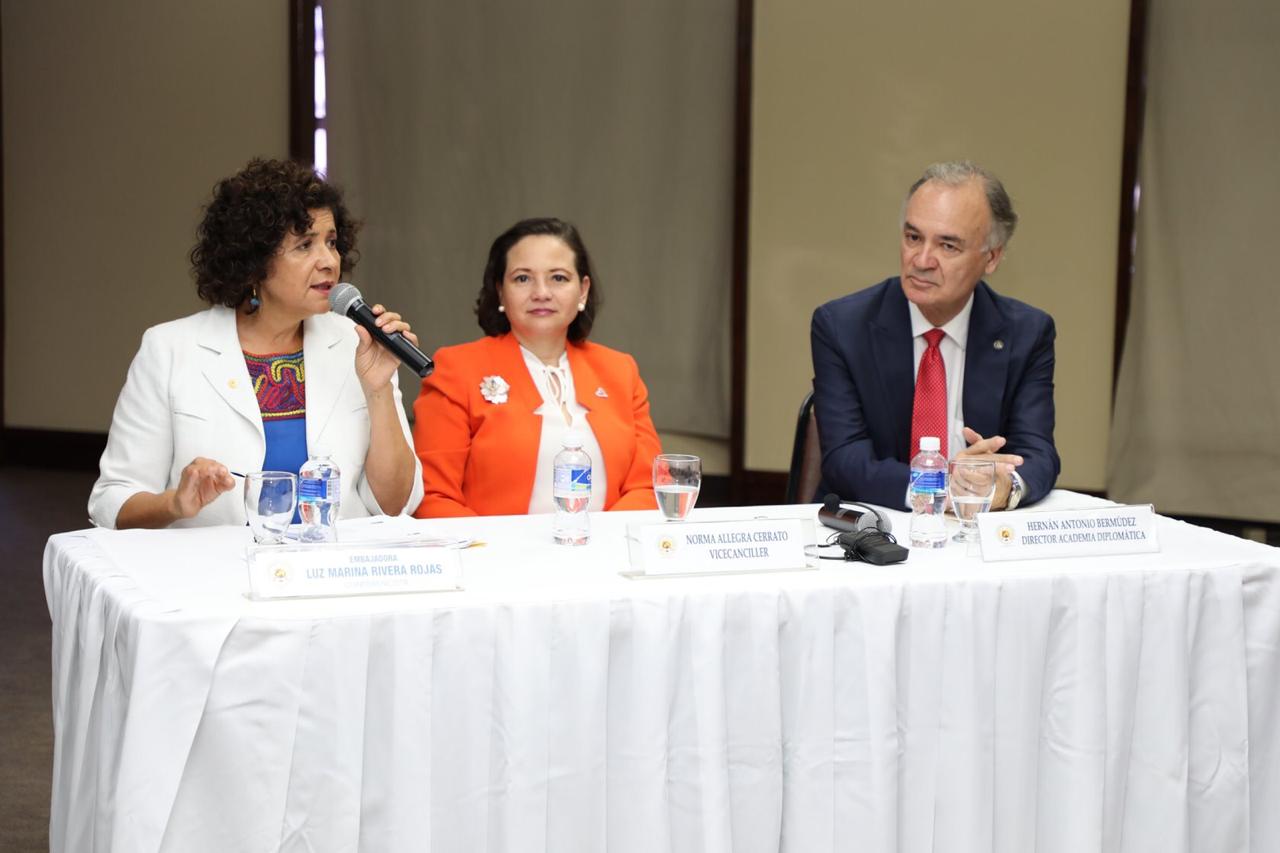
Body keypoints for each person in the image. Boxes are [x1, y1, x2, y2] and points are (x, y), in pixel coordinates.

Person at [88, 158, 423, 529]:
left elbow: (394, 506)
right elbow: (112, 501)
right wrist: (174, 504)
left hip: (332, 573)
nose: (328, 261)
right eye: (304, 246)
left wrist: (378, 391)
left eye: (331, 242)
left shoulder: (358, 344)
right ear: (253, 261)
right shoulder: (169, 349)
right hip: (215, 576)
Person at [810, 161, 1059, 510]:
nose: (922, 260)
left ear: (992, 258)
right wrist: (942, 488)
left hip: (977, 531)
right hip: (874, 527)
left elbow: (1038, 453)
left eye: (948, 246)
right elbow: (845, 460)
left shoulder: (1027, 333)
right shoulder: (842, 326)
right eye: (913, 238)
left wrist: (1005, 486)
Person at [413, 217, 661, 517]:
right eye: (522, 278)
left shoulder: (620, 371)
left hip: (604, 554)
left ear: (582, 290)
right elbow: (434, 497)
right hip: (495, 559)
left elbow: (647, 487)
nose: (541, 292)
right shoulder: (455, 370)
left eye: (558, 278)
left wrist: (598, 546)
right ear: (500, 291)